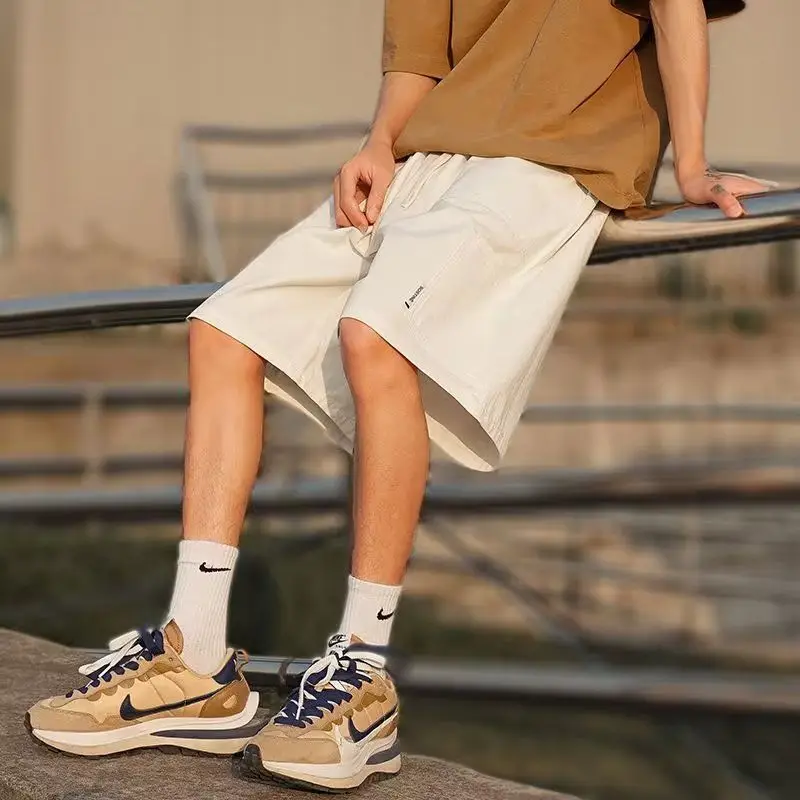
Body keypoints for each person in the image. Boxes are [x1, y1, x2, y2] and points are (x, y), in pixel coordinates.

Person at [28, 0, 768, 791]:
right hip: (433, 156)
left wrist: (692, 165)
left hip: (551, 162)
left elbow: (678, 7)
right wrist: (380, 142)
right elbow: (418, 49)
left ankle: (363, 673)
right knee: (223, 330)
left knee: (374, 335)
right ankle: (196, 659)